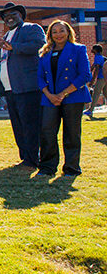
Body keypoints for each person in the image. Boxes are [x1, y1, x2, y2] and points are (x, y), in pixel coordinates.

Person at [0, 2, 46, 169]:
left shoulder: (31, 28)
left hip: (27, 87)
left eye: (13, 14)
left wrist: (14, 47)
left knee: (30, 125)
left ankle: (33, 159)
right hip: (11, 89)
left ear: (21, 15)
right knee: (18, 125)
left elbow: (39, 45)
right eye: (6, 15)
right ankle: (25, 157)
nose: (9, 17)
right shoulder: (7, 35)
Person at [37, 20, 91, 176]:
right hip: (50, 98)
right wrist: (49, 95)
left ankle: (71, 168)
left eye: (61, 31)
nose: (58, 34)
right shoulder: (44, 52)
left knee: (71, 133)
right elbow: (40, 77)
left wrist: (63, 94)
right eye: (54, 32)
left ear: (68, 32)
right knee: (47, 132)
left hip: (73, 97)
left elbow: (85, 75)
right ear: (50, 35)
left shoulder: (78, 49)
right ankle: (47, 167)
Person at [86, 44, 107, 118]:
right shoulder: (100, 57)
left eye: (93, 49)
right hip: (105, 78)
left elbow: (97, 69)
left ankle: (90, 110)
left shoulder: (97, 57)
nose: (91, 50)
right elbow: (93, 67)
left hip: (101, 78)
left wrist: (92, 80)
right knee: (105, 94)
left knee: (96, 94)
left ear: (96, 50)